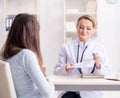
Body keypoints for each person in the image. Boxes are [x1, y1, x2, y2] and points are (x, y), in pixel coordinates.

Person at [54, 15, 111, 98]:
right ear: (77, 28)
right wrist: (65, 68)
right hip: (70, 90)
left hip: (91, 92)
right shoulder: (66, 47)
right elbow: (56, 71)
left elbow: (108, 73)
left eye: (88, 28)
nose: (84, 31)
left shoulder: (100, 48)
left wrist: (99, 66)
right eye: (81, 27)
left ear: (93, 30)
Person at [1, 13, 54, 98]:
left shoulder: (3, 55)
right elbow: (48, 93)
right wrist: (48, 81)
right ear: (32, 35)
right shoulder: (26, 55)